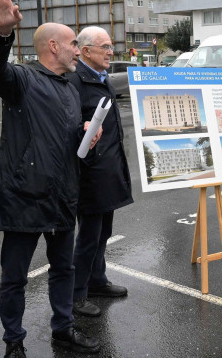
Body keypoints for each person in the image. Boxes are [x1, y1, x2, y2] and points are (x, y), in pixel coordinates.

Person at [0, 0, 102, 357]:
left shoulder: (69, 86)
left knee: (64, 270)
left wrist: (86, 139)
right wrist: (2, 31)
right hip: (22, 198)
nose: (78, 50)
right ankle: (14, 341)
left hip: (63, 195)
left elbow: (66, 142)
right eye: (74, 44)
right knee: (14, 277)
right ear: (53, 46)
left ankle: (63, 329)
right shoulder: (22, 79)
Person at [66, 26, 133, 318]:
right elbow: (69, 127)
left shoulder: (100, 78)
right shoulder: (75, 81)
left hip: (108, 168)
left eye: (111, 46)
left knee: (104, 231)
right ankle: (77, 294)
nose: (110, 52)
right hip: (89, 173)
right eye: (104, 47)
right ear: (85, 50)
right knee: (89, 235)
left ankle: (97, 280)